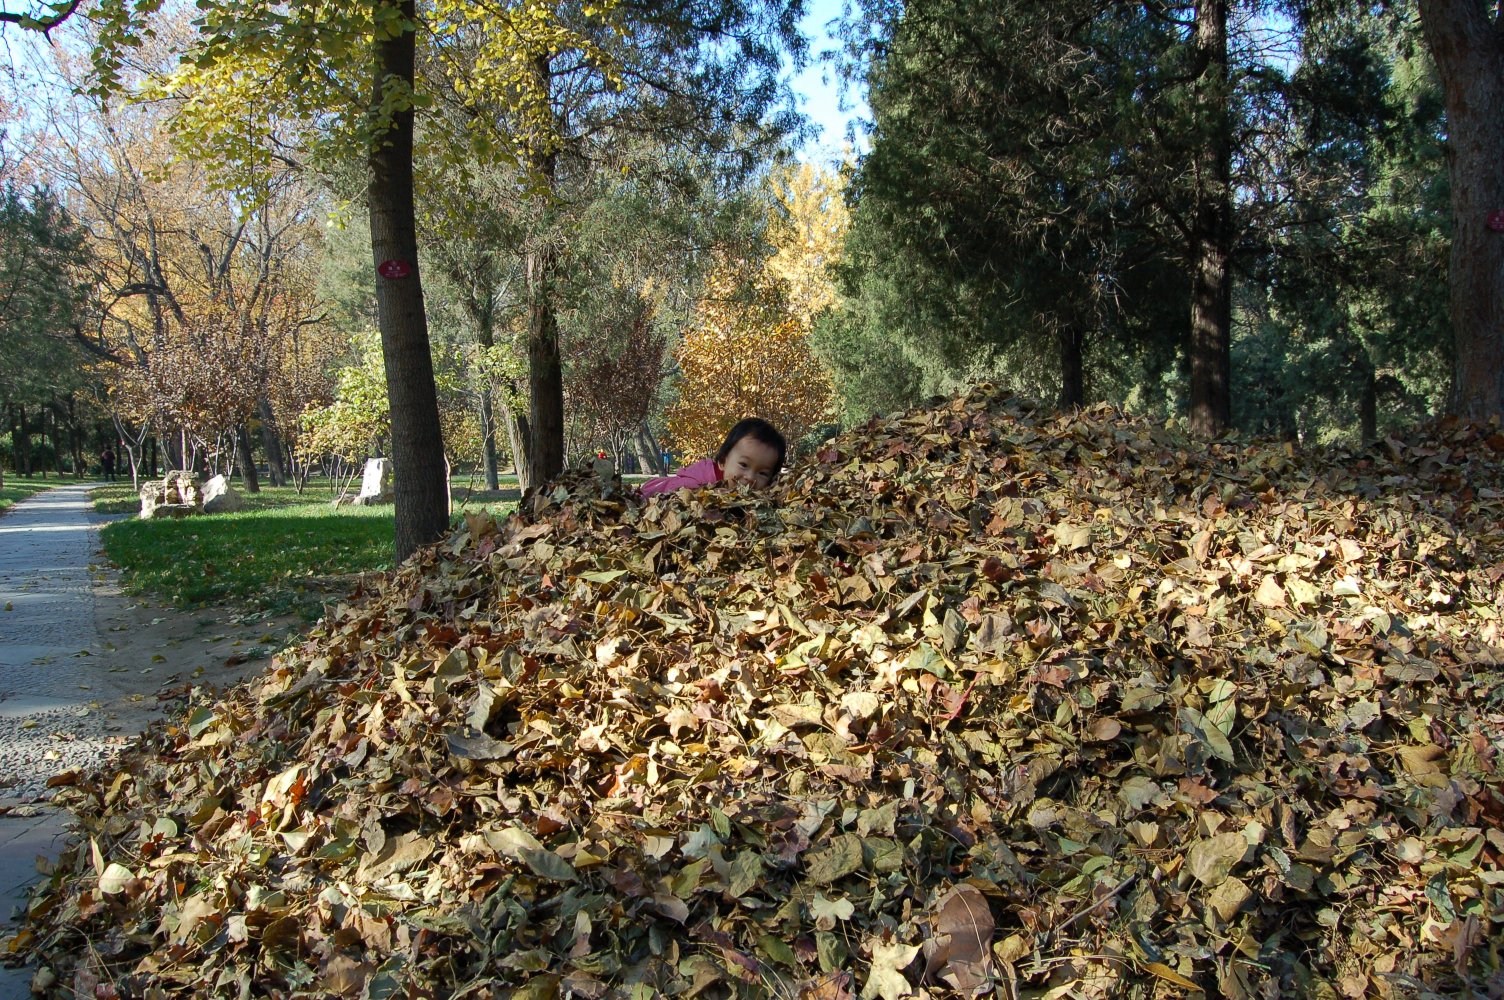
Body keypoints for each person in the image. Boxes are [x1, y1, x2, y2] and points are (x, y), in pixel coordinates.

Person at [640, 418, 786, 497]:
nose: (750, 477)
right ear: (722, 461)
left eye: (762, 473)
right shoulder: (695, 484)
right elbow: (672, 495)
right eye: (743, 464)